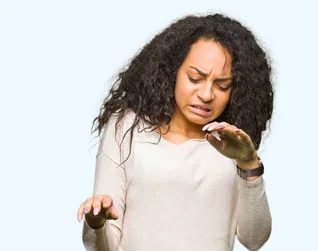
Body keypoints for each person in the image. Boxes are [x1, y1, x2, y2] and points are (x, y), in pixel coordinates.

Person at [75, 13, 274, 251]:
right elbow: (103, 247)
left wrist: (248, 163)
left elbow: (254, 239)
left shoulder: (231, 140)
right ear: (172, 72)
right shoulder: (127, 128)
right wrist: (96, 222)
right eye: (195, 78)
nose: (207, 94)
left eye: (222, 86)